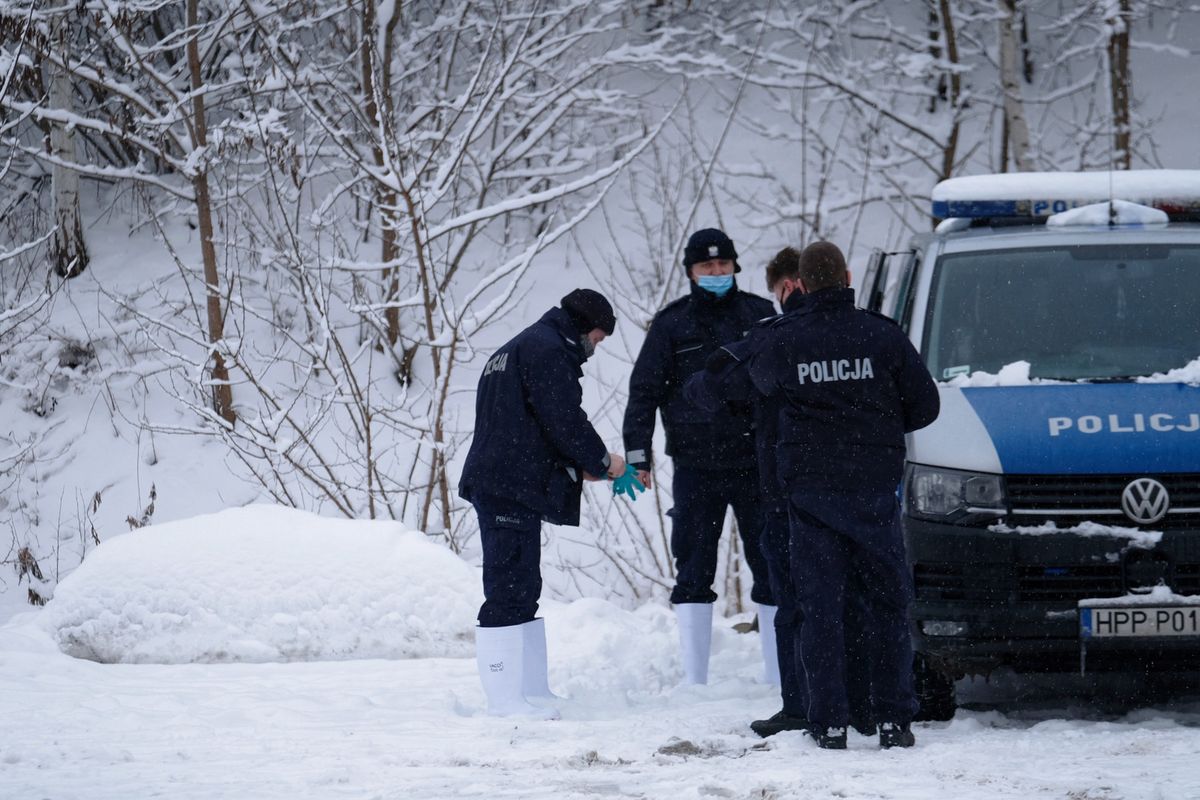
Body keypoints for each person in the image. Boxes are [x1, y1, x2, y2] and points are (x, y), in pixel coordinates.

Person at [748, 242, 940, 750]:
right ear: (849, 276)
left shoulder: (784, 339)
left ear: (802, 285)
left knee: (820, 611)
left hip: (811, 498)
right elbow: (925, 407)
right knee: (887, 607)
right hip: (873, 493)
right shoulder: (882, 335)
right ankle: (894, 719)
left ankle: (829, 721)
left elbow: (762, 387)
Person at [684, 247, 874, 739]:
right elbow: (916, 404)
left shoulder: (775, 338)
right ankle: (865, 704)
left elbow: (715, 386)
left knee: (798, 602)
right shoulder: (873, 331)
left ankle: (804, 705)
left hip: (792, 489)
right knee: (858, 598)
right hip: (862, 486)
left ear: (791, 287)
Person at [459, 288, 627, 718]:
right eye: (599, 338)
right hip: (508, 484)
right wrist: (602, 461)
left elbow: (529, 422)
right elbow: (565, 419)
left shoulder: (518, 346)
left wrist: (576, 465)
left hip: (501, 479)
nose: (596, 348)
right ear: (586, 326)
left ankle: (531, 692)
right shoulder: (548, 350)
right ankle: (504, 701)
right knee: (508, 588)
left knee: (522, 586)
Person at [622, 227, 777, 685]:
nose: (715, 273)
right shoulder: (671, 325)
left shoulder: (762, 315)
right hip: (696, 467)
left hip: (756, 465)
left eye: (722, 265)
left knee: (771, 564)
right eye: (706, 267)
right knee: (692, 568)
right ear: (691, 272)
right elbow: (643, 392)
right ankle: (695, 680)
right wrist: (638, 456)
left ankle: (778, 672)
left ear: (735, 268)